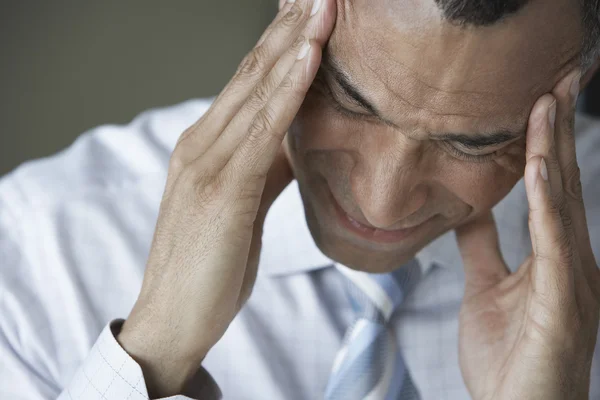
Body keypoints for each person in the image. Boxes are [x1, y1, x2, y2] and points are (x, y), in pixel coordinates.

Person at [1, 0, 600, 398]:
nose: (381, 203)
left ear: (583, 77)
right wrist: (151, 357)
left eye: (474, 144)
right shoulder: (33, 253)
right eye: (349, 99)